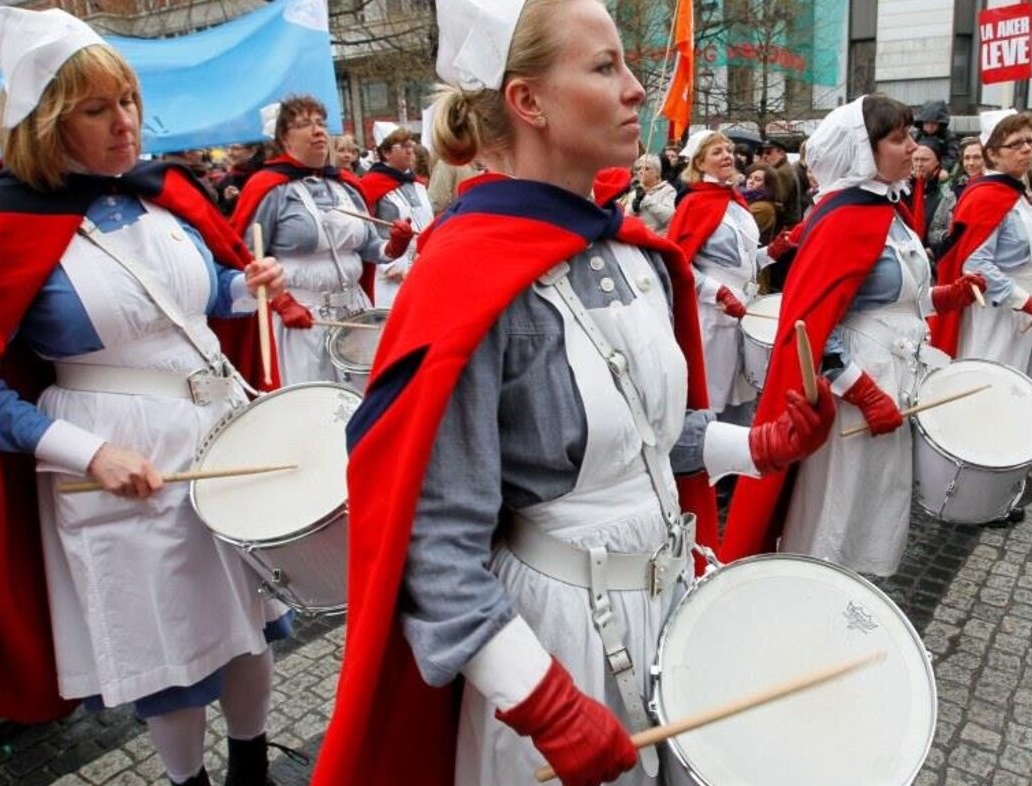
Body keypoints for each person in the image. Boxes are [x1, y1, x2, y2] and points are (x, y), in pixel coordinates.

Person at [310, 1, 835, 783]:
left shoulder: (633, 253)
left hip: (669, 595)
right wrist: (540, 700)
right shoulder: (464, 276)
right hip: (554, 632)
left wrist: (758, 447)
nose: (635, 90)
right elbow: (431, 542)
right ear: (528, 102)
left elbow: (650, 440)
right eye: (604, 67)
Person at [0, 9, 291, 784]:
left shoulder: (162, 194)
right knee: (169, 651)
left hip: (219, 428)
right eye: (97, 109)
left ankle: (252, 766)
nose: (126, 123)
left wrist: (244, 287)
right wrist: (89, 454)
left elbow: (195, 298)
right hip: (117, 455)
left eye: (129, 101)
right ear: (48, 125)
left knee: (252, 623)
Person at [721, 94, 986, 572]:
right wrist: (863, 393)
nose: (912, 146)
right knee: (839, 509)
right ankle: (819, 597)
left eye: (910, 135)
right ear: (865, 149)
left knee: (874, 505)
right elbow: (811, 331)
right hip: (854, 391)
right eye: (899, 137)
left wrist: (949, 296)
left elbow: (897, 300)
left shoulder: (888, 210)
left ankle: (854, 597)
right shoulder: (844, 218)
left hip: (894, 376)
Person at [231, 95, 413, 385]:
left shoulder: (345, 185)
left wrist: (394, 246)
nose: (318, 131)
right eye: (305, 124)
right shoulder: (269, 188)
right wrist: (282, 302)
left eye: (321, 123)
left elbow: (369, 249)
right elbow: (247, 258)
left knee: (363, 401)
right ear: (283, 138)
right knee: (313, 405)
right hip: (302, 319)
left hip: (356, 314)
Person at [931, 109, 1032, 373]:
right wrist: (1025, 301)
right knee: (991, 382)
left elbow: (1020, 250)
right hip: (996, 309)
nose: (1026, 149)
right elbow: (976, 264)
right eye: (1015, 144)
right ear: (992, 153)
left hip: (1019, 307)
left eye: (1029, 141)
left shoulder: (1015, 192)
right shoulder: (986, 196)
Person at [667, 129, 767, 415]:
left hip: (745, 309)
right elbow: (678, 263)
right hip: (711, 315)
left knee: (743, 393)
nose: (727, 155)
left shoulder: (735, 200)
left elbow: (741, 261)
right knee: (712, 397)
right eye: (717, 151)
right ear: (699, 164)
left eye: (728, 149)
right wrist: (717, 292)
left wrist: (773, 252)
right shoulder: (693, 203)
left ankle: (739, 456)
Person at [360, 122, 431, 308]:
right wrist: (393, 268)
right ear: (386, 152)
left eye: (411, 145)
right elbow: (369, 233)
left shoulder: (417, 184)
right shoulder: (371, 185)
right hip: (391, 274)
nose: (410, 151)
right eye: (404, 146)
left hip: (422, 267)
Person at [907, 136, 956, 254]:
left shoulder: (948, 191)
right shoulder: (904, 187)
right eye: (916, 159)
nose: (919, 164)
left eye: (924, 160)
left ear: (937, 162)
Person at [759, 138, 801, 227]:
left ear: (781, 154)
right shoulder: (783, 168)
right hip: (787, 221)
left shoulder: (781, 172)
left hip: (784, 223)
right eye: (763, 153)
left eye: (768, 152)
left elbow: (779, 201)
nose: (764, 156)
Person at [630, 153, 676, 234]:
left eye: (646, 168)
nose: (641, 171)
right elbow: (625, 219)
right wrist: (633, 209)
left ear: (657, 173)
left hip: (656, 240)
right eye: (638, 168)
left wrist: (646, 199)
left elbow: (669, 217)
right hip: (635, 239)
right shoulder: (635, 191)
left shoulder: (668, 190)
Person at [217, 142, 264, 217]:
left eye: (236, 148)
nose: (229, 153)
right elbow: (223, 212)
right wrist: (229, 200)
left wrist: (242, 198)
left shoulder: (264, 176)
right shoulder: (227, 180)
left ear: (253, 151)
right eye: (227, 148)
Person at [913, 99, 959, 173]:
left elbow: (952, 156)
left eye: (934, 124)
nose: (930, 127)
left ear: (940, 124)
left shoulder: (948, 136)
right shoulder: (917, 135)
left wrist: (944, 168)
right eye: (927, 123)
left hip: (939, 171)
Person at [741, 162, 781, 243]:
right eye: (749, 177)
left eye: (757, 179)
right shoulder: (746, 198)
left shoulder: (763, 208)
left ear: (768, 185)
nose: (751, 181)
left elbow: (742, 231)